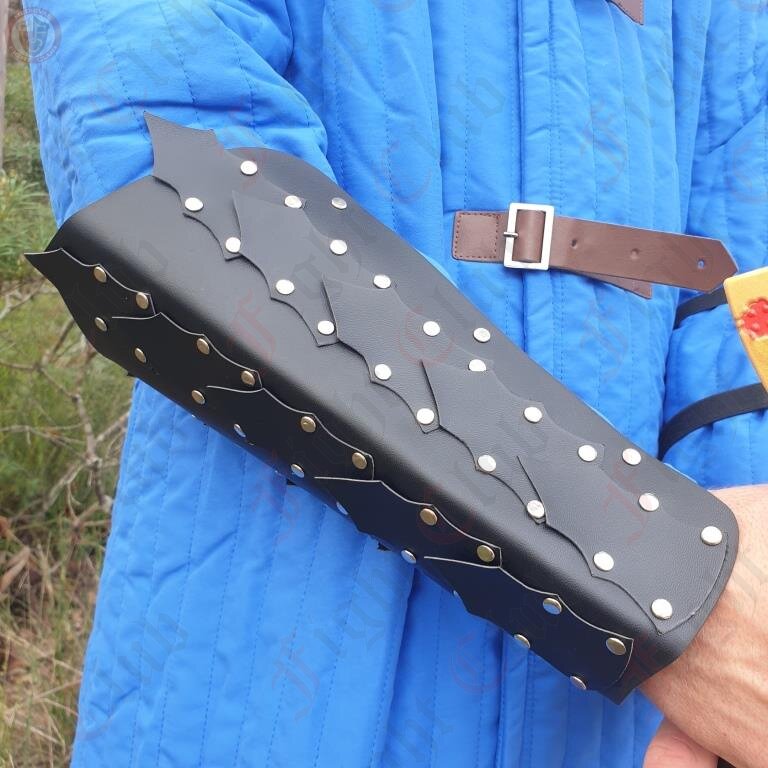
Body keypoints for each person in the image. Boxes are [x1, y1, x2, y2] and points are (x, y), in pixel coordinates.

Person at [23, 1, 768, 766]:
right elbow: (180, 199)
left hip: (626, 724)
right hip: (272, 666)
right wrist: (667, 588)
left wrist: (743, 631)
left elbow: (736, 293)